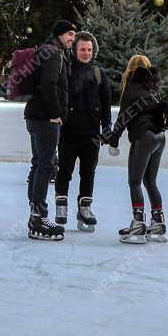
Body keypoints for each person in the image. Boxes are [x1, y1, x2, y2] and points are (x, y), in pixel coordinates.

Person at [108, 54, 168, 243]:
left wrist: (114, 140)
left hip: (144, 137)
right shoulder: (153, 88)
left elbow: (124, 116)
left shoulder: (131, 88)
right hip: (160, 137)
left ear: (130, 70)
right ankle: (158, 223)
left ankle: (138, 225)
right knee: (151, 182)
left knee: (135, 181)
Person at [23, 18, 77, 240]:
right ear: (60, 35)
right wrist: (56, 113)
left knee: (39, 164)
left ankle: (35, 214)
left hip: (35, 115)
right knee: (45, 166)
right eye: (69, 35)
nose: (72, 39)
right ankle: (38, 217)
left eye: (74, 35)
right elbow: (49, 83)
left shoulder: (45, 49)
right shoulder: (53, 52)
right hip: (45, 119)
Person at [55, 31, 111, 232]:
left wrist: (107, 127)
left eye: (89, 49)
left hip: (91, 134)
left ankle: (84, 208)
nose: (86, 53)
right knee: (65, 170)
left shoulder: (98, 73)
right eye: (82, 49)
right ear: (75, 50)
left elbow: (106, 103)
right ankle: (61, 204)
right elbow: (58, 96)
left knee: (88, 172)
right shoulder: (67, 70)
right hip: (68, 133)